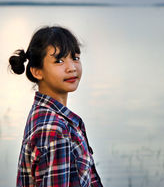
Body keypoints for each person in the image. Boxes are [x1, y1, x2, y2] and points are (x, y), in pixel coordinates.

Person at [9, 26, 103, 187]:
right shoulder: (54, 129)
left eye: (75, 58)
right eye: (59, 61)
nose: (72, 67)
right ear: (37, 71)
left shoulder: (46, 114)